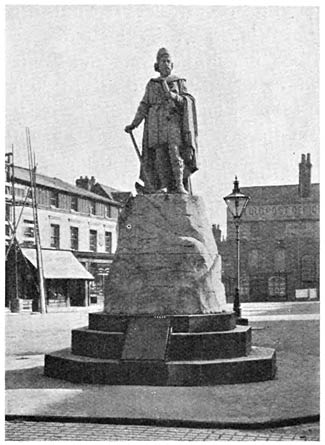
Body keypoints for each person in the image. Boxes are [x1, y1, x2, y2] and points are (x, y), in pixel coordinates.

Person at [125, 48, 198, 194]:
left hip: (172, 123)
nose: (165, 64)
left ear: (172, 64)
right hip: (155, 125)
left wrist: (172, 96)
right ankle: (163, 185)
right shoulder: (152, 84)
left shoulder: (178, 82)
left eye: (168, 61)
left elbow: (187, 101)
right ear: (157, 65)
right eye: (162, 61)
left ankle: (179, 185)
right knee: (159, 156)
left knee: (174, 152)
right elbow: (144, 105)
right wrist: (134, 124)